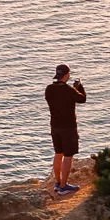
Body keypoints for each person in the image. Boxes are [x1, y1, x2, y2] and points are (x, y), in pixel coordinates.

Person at [44, 65, 86, 194]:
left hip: (55, 126)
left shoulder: (49, 89)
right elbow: (82, 99)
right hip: (68, 127)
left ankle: (57, 182)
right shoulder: (69, 90)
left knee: (58, 153)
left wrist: (73, 89)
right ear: (67, 75)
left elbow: (60, 97)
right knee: (68, 156)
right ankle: (63, 187)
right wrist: (79, 87)